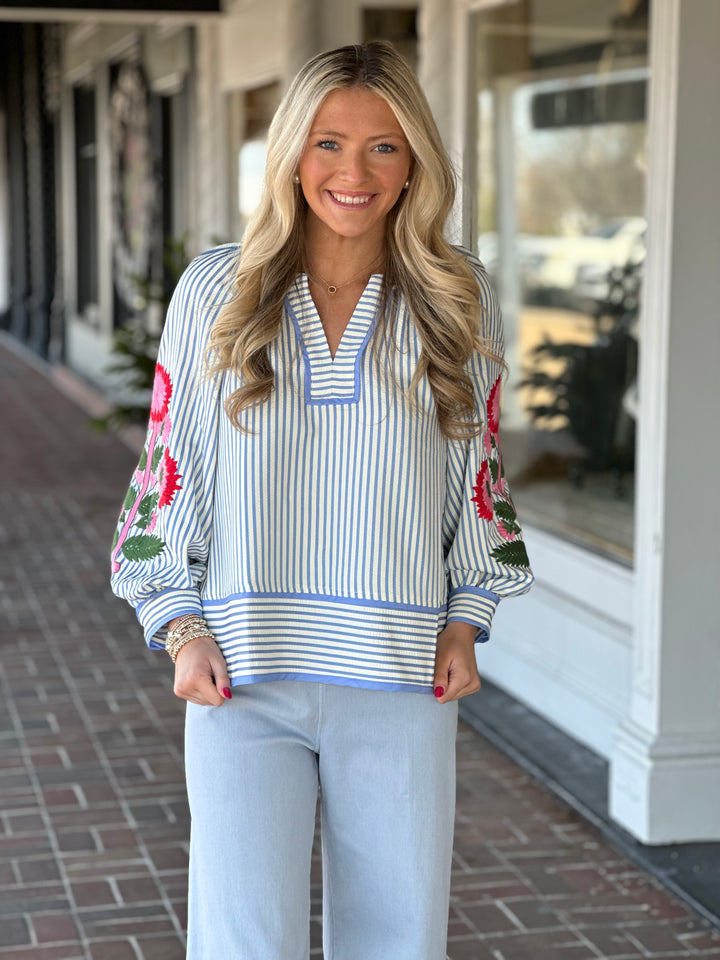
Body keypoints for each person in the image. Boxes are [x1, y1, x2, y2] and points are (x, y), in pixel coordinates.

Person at [110, 40, 533, 960]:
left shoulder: (457, 298)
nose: (354, 171)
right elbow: (167, 473)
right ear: (291, 152)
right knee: (238, 941)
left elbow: (479, 477)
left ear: (415, 159)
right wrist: (178, 624)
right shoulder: (218, 290)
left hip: (403, 675)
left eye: (384, 146)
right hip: (240, 675)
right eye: (329, 143)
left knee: (397, 939)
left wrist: (468, 616)